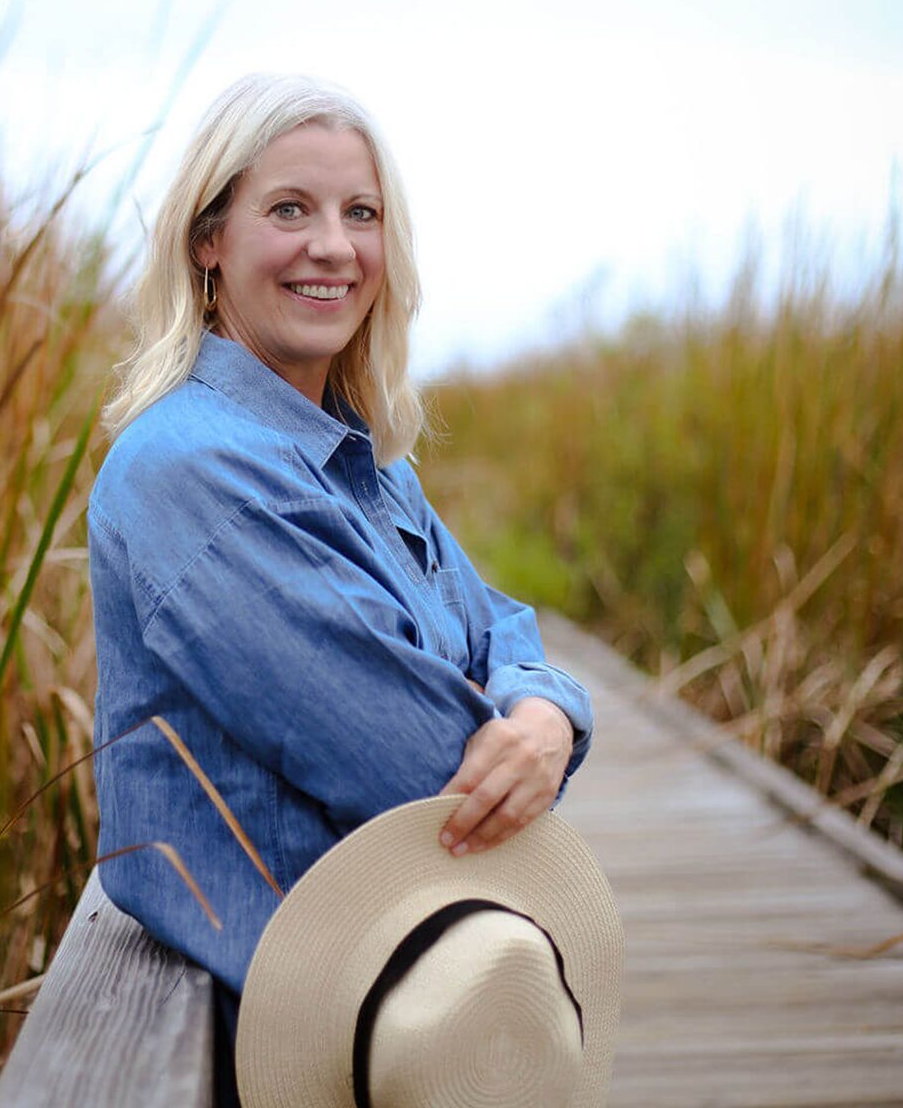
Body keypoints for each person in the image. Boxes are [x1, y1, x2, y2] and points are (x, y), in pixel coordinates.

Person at [88, 73, 597, 1106]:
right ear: (207, 241)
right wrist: (513, 717)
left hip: (408, 1000)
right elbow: (419, 766)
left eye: (360, 213)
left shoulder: (369, 467)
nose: (334, 247)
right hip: (284, 1029)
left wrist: (548, 712)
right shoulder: (193, 471)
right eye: (290, 210)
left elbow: (502, 626)